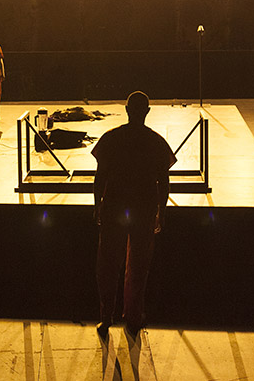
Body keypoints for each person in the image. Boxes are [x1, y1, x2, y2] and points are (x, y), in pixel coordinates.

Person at [92, 91, 176, 341]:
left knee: (107, 264)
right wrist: (161, 210)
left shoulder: (112, 138)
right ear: (147, 112)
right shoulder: (156, 142)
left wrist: (97, 205)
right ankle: (133, 317)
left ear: (126, 110)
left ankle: (106, 317)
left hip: (115, 207)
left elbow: (100, 177)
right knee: (138, 267)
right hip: (144, 208)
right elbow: (164, 181)